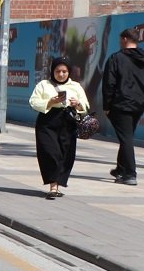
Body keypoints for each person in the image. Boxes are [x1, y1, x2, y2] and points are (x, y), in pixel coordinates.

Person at [31, 59, 91, 198]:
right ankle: (53, 186)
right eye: (58, 71)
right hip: (47, 122)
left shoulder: (75, 86)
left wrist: (78, 104)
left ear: (69, 72)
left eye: (64, 71)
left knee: (66, 154)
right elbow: (33, 101)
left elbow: (86, 106)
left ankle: (57, 185)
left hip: (68, 122)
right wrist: (50, 101)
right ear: (52, 71)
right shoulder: (44, 85)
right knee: (50, 152)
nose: (61, 74)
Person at [102, 25, 144, 186]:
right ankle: (120, 169)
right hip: (139, 104)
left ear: (125, 39)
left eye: (120, 39)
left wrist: (107, 104)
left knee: (126, 138)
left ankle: (130, 174)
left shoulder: (116, 58)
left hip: (121, 104)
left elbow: (109, 83)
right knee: (126, 136)